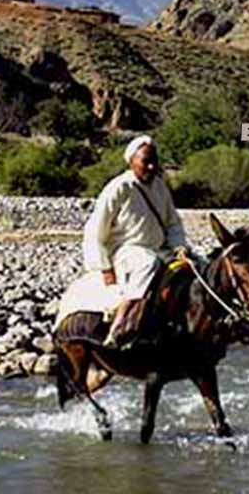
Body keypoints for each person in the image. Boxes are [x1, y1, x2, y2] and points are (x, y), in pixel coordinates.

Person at [82, 135, 188, 348]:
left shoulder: (160, 186)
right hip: (126, 250)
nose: (150, 166)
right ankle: (122, 324)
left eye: (153, 161)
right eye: (145, 161)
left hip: (159, 249)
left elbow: (172, 223)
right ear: (131, 161)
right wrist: (104, 267)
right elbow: (95, 230)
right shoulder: (119, 187)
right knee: (147, 264)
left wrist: (180, 247)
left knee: (198, 266)